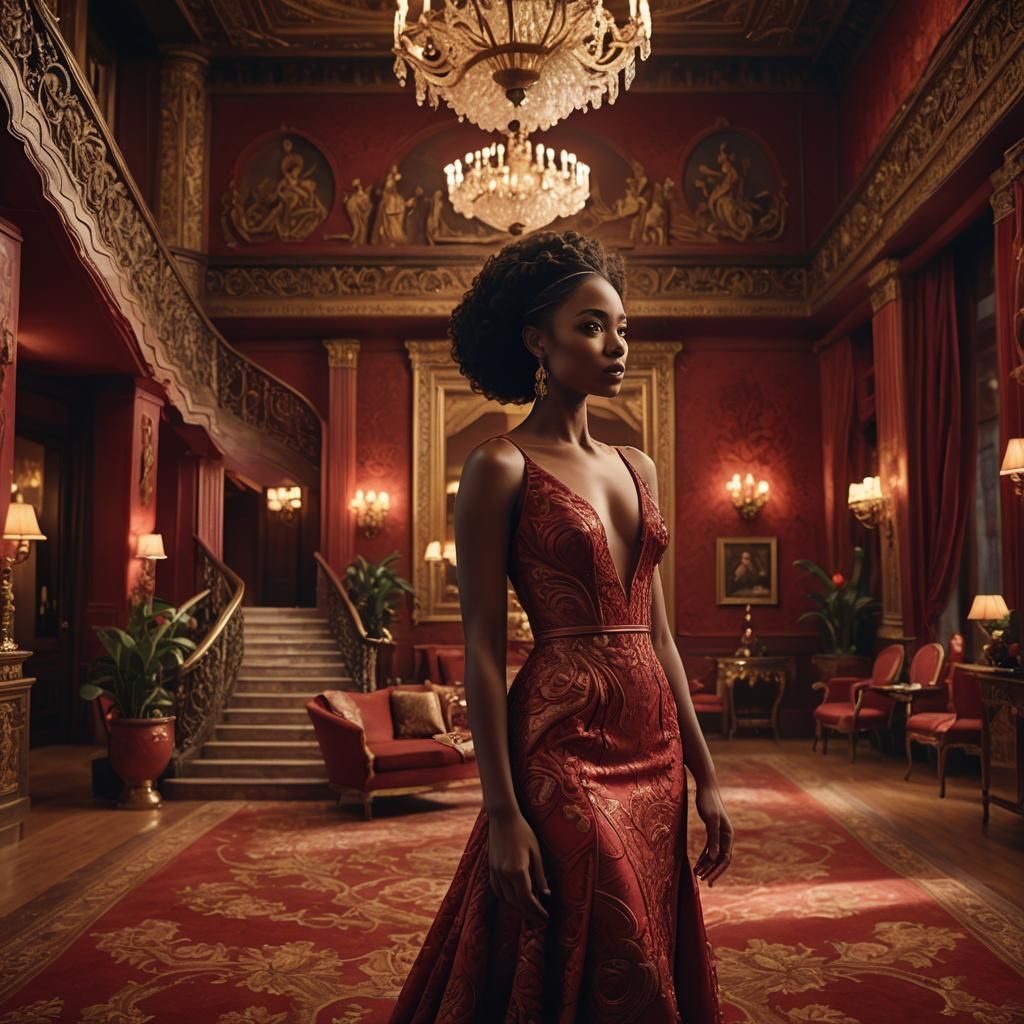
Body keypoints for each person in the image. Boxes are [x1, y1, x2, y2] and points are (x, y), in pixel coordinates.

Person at [389, 230, 732, 1023]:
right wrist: (503, 813)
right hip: (563, 736)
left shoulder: (639, 465)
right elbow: (480, 645)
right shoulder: (499, 466)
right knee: (609, 934)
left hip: (656, 744)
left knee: (642, 928)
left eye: (622, 328)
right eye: (591, 326)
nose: (615, 345)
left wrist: (708, 774)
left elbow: (662, 637)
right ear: (537, 341)